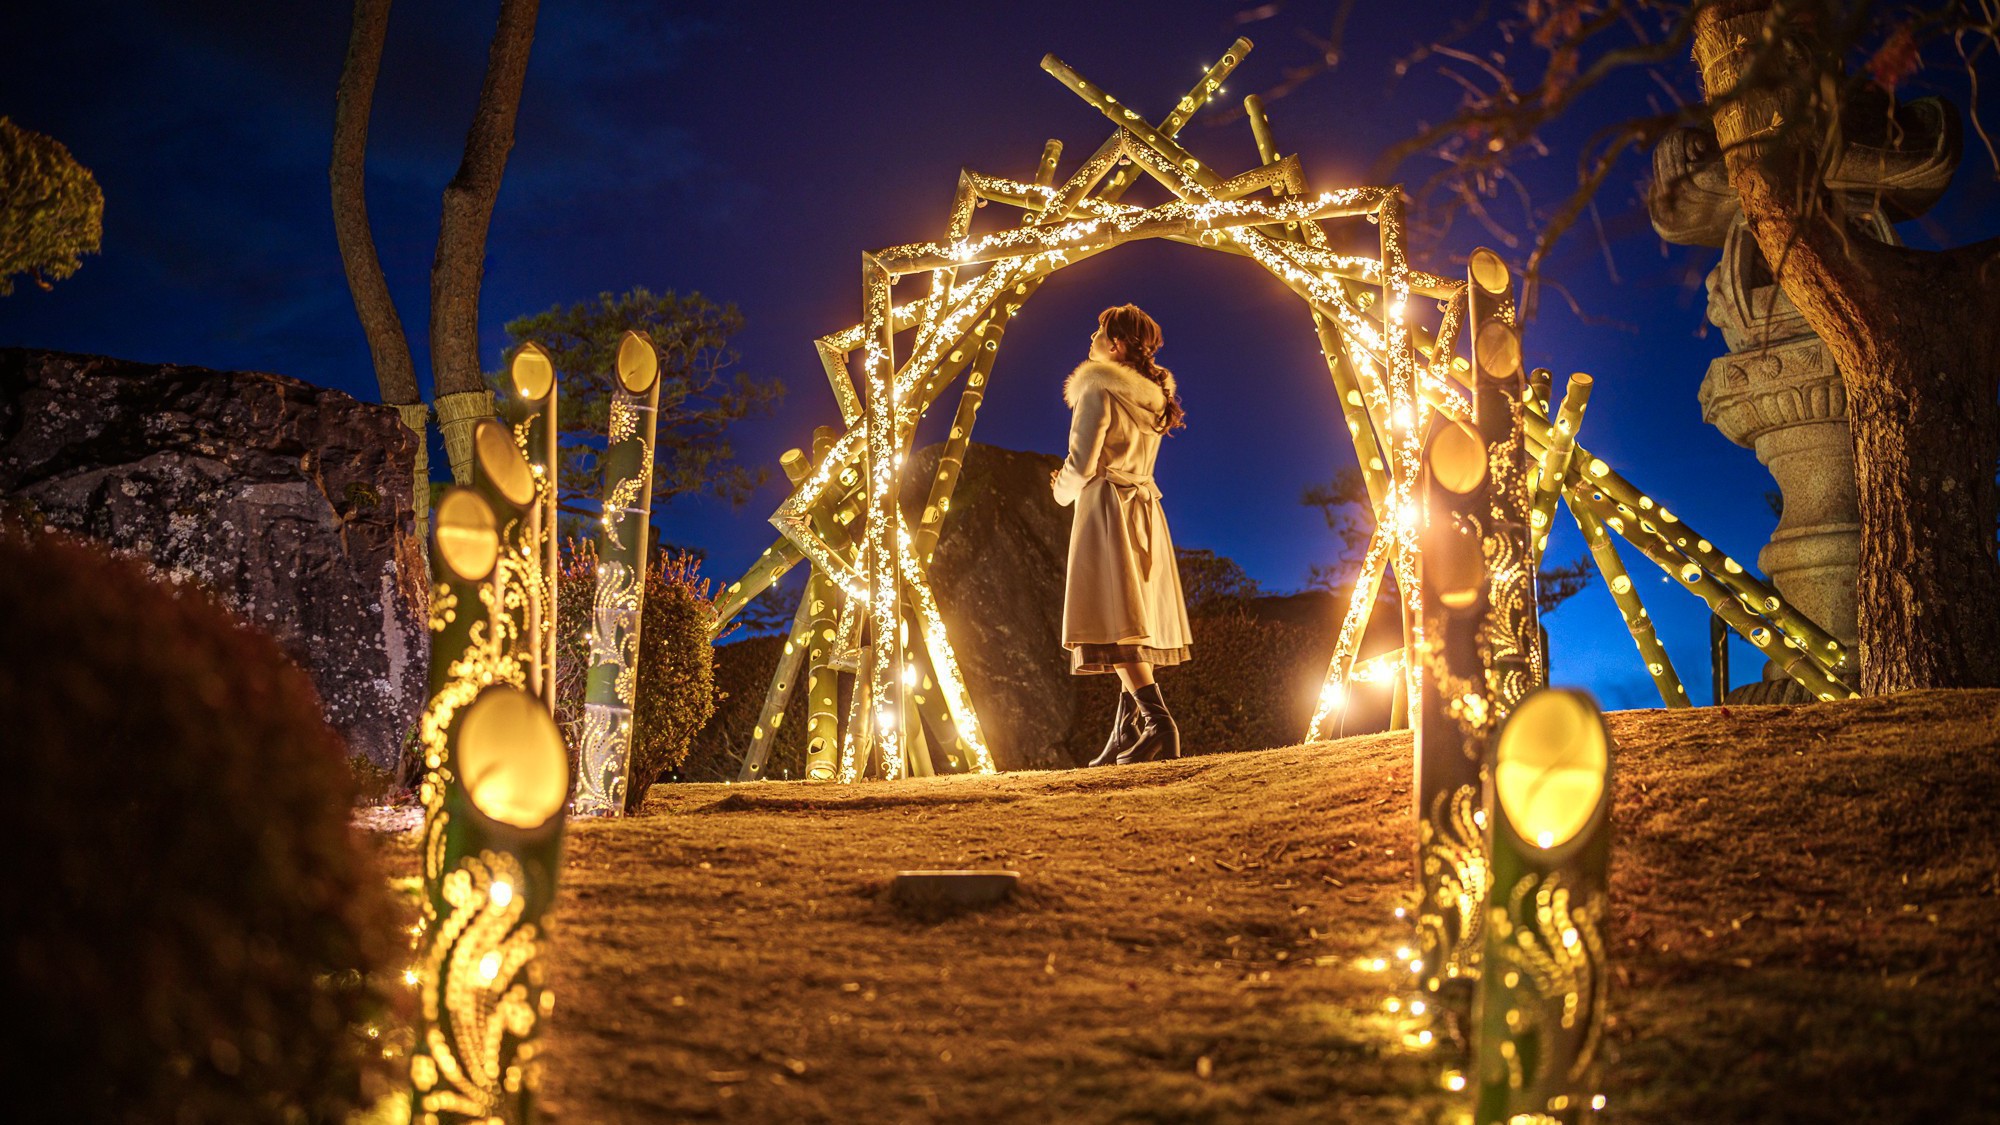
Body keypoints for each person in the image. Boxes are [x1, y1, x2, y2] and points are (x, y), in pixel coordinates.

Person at [1049, 303, 1193, 766]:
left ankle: (1158, 724)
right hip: (1144, 509)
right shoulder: (1154, 398)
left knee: (1115, 621)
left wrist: (1061, 490)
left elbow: (1083, 460)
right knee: (1126, 618)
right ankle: (1124, 732)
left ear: (1116, 345)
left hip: (1107, 508)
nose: (1090, 338)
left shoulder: (1098, 388)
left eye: (1099, 332)